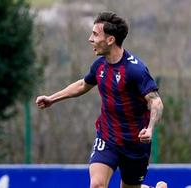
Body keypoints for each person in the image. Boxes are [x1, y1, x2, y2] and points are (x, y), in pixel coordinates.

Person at [36, 11, 164, 188]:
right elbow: (82, 85)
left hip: (135, 143)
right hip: (107, 137)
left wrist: (150, 129)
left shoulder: (135, 70)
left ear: (110, 40)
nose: (90, 39)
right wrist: (52, 98)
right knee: (97, 185)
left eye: (95, 34)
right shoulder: (99, 66)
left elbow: (156, 101)